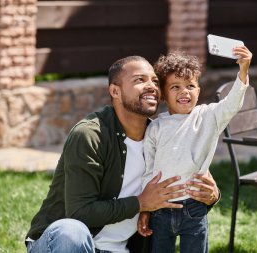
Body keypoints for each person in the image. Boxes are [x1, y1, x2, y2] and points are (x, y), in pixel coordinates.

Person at [25, 55, 220, 253]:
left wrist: (211, 196)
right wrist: (140, 203)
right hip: (65, 245)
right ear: (115, 91)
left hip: (121, 249)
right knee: (70, 231)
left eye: (154, 81)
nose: (151, 86)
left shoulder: (161, 138)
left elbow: (180, 194)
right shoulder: (91, 135)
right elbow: (79, 213)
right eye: (139, 80)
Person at [137, 47, 252, 253]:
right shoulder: (155, 127)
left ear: (198, 91)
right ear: (163, 94)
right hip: (161, 209)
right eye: (175, 87)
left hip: (195, 207)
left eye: (190, 85)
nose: (184, 91)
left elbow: (232, 104)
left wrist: (243, 71)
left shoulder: (209, 116)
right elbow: (148, 169)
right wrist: (146, 209)